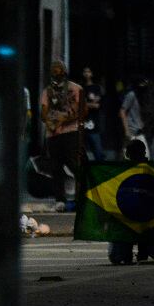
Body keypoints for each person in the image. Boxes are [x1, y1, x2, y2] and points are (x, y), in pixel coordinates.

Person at [107, 140, 154, 264]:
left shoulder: (150, 171)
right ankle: (129, 250)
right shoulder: (121, 172)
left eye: (136, 152)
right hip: (125, 222)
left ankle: (143, 248)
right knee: (116, 257)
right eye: (133, 153)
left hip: (147, 224)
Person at [40, 60, 86, 211]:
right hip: (53, 135)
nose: (56, 72)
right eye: (54, 70)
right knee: (56, 167)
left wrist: (65, 118)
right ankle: (60, 200)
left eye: (59, 69)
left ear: (65, 72)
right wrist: (51, 122)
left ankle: (84, 196)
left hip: (70, 133)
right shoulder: (47, 91)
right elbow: (43, 113)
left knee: (74, 165)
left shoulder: (76, 88)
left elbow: (83, 111)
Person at [120, 79, 149, 158]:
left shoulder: (142, 96)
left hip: (139, 132)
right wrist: (126, 130)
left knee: (146, 156)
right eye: (143, 83)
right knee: (128, 157)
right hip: (131, 131)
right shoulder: (131, 94)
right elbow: (122, 111)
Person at [82, 67, 105, 161]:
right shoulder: (80, 88)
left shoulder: (96, 88)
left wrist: (86, 104)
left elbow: (97, 105)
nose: (86, 73)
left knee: (98, 153)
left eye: (88, 71)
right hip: (82, 125)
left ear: (92, 74)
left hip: (94, 124)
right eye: (85, 72)